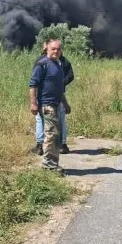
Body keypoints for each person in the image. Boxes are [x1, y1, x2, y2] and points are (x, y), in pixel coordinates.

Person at [29, 39, 70, 175]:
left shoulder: (58, 64)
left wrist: (65, 103)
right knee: (51, 135)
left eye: (58, 49)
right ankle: (49, 166)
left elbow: (59, 88)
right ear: (47, 49)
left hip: (57, 104)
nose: (56, 51)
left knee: (56, 136)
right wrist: (33, 103)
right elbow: (33, 85)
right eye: (53, 49)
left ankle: (53, 163)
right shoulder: (42, 65)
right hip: (47, 105)